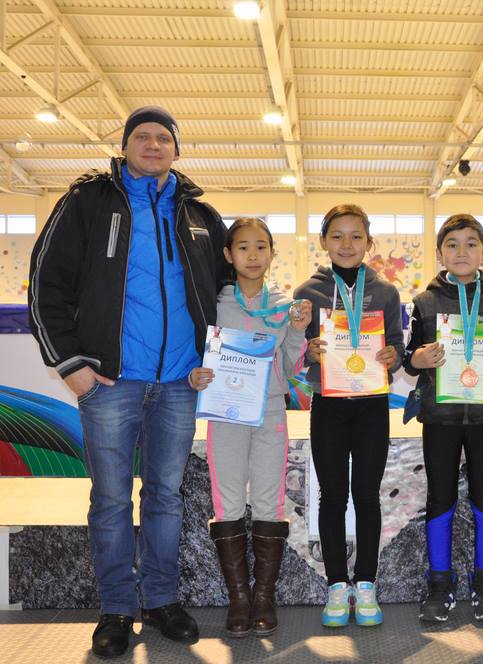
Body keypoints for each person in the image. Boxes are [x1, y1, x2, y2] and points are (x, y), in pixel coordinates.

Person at [28, 106, 227, 658]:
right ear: (124, 145)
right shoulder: (88, 202)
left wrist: (267, 326)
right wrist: (71, 365)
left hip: (180, 383)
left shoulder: (198, 214)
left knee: (165, 496)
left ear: (177, 150)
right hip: (110, 383)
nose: (154, 144)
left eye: (164, 138)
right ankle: (116, 608)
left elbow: (229, 286)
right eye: (143, 136)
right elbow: (46, 283)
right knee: (112, 499)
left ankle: (161, 600)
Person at [189, 218, 312, 638]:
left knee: (267, 503)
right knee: (227, 504)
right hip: (225, 414)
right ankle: (239, 598)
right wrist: (195, 375)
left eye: (262, 247)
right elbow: (196, 354)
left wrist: (297, 332)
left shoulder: (284, 306)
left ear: (273, 253)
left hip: (270, 412)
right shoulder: (212, 303)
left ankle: (263, 597)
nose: (253, 255)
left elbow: (290, 367)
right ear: (228, 254)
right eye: (243, 247)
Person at [404, 214, 483, 624]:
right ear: (440, 253)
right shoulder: (424, 302)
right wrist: (418, 359)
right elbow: (409, 357)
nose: (462, 251)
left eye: (471, 243)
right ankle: (440, 585)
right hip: (440, 417)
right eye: (452, 244)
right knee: (440, 498)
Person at [294, 204, 404, 628]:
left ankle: (367, 584)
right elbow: (297, 349)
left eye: (356, 236)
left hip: (372, 405)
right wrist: (309, 352)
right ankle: (337, 585)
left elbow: (396, 346)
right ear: (323, 242)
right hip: (329, 405)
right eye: (337, 236)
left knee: (367, 495)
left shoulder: (386, 292)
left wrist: (393, 356)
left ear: (368, 242)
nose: (346, 244)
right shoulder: (308, 292)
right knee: (332, 495)